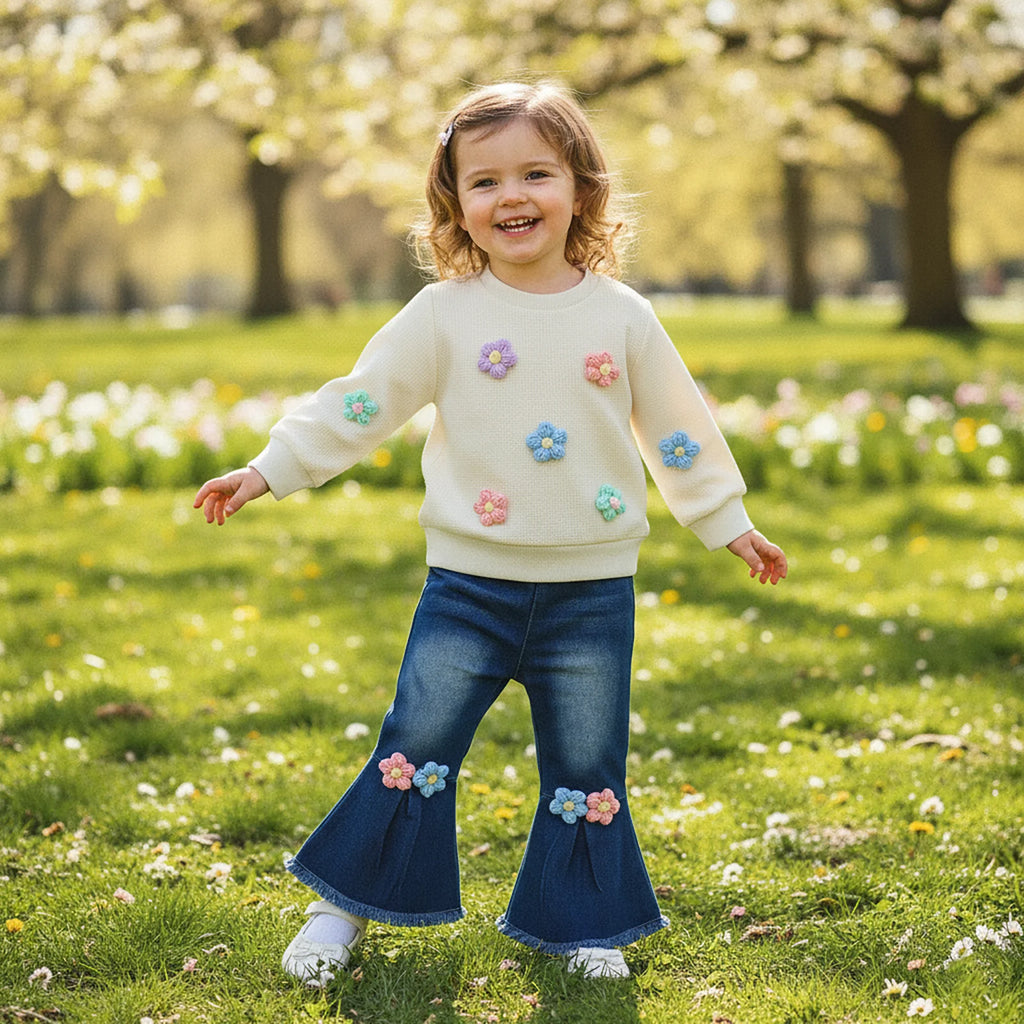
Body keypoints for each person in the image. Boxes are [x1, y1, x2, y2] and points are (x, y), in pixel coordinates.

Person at [194, 80, 787, 985]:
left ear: (581, 189)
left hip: (592, 592)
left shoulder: (623, 317)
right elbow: (362, 403)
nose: (512, 196)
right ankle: (342, 909)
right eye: (485, 182)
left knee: (587, 764)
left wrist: (726, 519)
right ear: (456, 206)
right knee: (415, 744)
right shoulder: (444, 315)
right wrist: (271, 468)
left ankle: (587, 924)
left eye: (536, 174)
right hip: (467, 587)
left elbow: (678, 428)